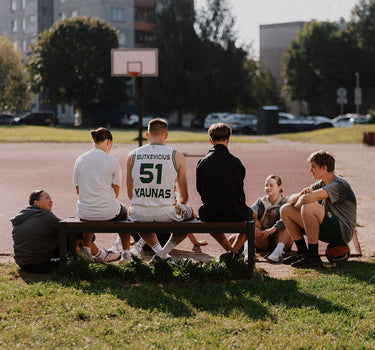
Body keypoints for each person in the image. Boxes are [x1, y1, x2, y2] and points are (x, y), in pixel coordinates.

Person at [124, 118, 196, 262]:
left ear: (147, 135)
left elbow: (130, 194)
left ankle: (158, 251)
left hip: (140, 211)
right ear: (166, 135)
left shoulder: (132, 155)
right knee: (193, 215)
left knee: (136, 213)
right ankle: (164, 253)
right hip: (167, 211)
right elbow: (185, 196)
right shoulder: (177, 156)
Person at [280, 150, 357, 268]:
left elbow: (306, 200)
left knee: (309, 206)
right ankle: (302, 252)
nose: (310, 170)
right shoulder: (322, 183)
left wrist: (301, 200)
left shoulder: (339, 184)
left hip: (342, 232)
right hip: (329, 227)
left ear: (324, 167)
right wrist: (301, 194)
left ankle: (313, 257)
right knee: (285, 209)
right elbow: (290, 201)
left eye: (313, 167)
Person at [196, 122, 253, 262]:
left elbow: (200, 190)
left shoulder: (202, 162)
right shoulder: (236, 162)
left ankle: (230, 250)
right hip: (236, 211)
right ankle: (233, 251)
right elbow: (239, 189)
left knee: (203, 214)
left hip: (211, 212)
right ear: (228, 139)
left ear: (210, 140)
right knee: (253, 218)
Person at [73, 127, 129, 263]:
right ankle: (126, 255)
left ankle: (86, 251)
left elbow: (78, 190)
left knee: (90, 215)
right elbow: (116, 192)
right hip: (108, 211)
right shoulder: (112, 161)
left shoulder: (80, 160)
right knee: (125, 213)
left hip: (84, 211)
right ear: (108, 142)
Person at [11, 190, 61, 273]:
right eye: (47, 198)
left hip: (21, 263)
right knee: (70, 238)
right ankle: (85, 260)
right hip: (40, 265)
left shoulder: (21, 216)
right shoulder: (45, 215)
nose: (51, 201)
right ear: (36, 202)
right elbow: (65, 229)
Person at [251, 175, 293, 263]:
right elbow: (250, 214)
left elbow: (287, 220)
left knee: (288, 222)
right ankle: (248, 251)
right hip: (264, 240)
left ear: (279, 187)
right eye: (266, 185)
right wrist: (255, 228)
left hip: (281, 239)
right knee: (252, 218)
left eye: (271, 185)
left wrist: (274, 228)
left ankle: (277, 253)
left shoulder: (286, 201)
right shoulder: (261, 201)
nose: (268, 188)